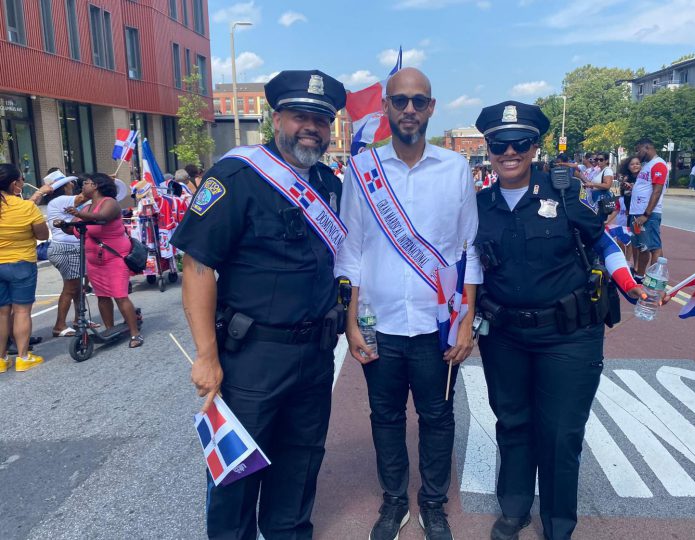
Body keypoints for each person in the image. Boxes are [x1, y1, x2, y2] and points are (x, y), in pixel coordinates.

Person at [171, 69, 347, 540]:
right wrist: (206, 355)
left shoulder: (328, 184)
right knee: (236, 473)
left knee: (301, 463)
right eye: (300, 116)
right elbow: (198, 266)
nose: (311, 127)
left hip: (315, 355)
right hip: (252, 358)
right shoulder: (236, 176)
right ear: (276, 118)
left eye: (321, 119)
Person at [472, 101, 642, 540]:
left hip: (568, 334)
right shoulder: (478, 205)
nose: (510, 152)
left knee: (561, 432)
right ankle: (514, 509)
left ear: (535, 147)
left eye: (520, 142)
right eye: (499, 145)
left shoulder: (567, 193)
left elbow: (603, 243)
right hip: (505, 334)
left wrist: (630, 284)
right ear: (489, 149)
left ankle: (558, 524)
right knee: (512, 423)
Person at [335, 67, 482, 540]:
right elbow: (350, 250)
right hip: (380, 323)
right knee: (386, 418)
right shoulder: (363, 170)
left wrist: (466, 323)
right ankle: (394, 501)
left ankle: (433, 505)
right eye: (400, 101)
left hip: (437, 326)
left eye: (419, 101)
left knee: (438, 417)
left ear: (432, 107)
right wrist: (351, 322)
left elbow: (469, 249)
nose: (410, 110)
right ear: (387, 108)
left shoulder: (455, 168)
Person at [64, 173, 142, 348]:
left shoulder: (110, 203)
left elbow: (102, 217)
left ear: (96, 185)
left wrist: (79, 214)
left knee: (120, 296)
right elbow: (74, 228)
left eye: (87, 183)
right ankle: (110, 330)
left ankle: (135, 333)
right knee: (102, 296)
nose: (83, 185)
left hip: (114, 258)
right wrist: (63, 224)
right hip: (94, 261)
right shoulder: (87, 207)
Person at [0, 164, 49, 373]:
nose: (22, 183)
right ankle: (23, 357)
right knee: (21, 311)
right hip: (21, 263)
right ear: (14, 184)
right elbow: (43, 235)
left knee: (2, 313)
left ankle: (1, 359)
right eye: (21, 180)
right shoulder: (26, 207)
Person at [43, 170, 96, 337]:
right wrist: (101, 183)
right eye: (69, 182)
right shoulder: (61, 200)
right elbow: (84, 197)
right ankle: (59, 325)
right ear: (63, 186)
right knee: (70, 288)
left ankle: (79, 319)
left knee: (78, 287)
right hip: (67, 248)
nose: (73, 184)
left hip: (71, 248)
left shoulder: (59, 201)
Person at [629, 137, 669, 278]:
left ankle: (654, 279)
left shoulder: (658, 165)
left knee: (653, 247)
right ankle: (640, 275)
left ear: (647, 148)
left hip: (647, 214)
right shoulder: (647, 165)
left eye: (638, 150)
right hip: (637, 212)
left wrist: (646, 214)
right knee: (643, 247)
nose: (637, 154)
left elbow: (657, 191)